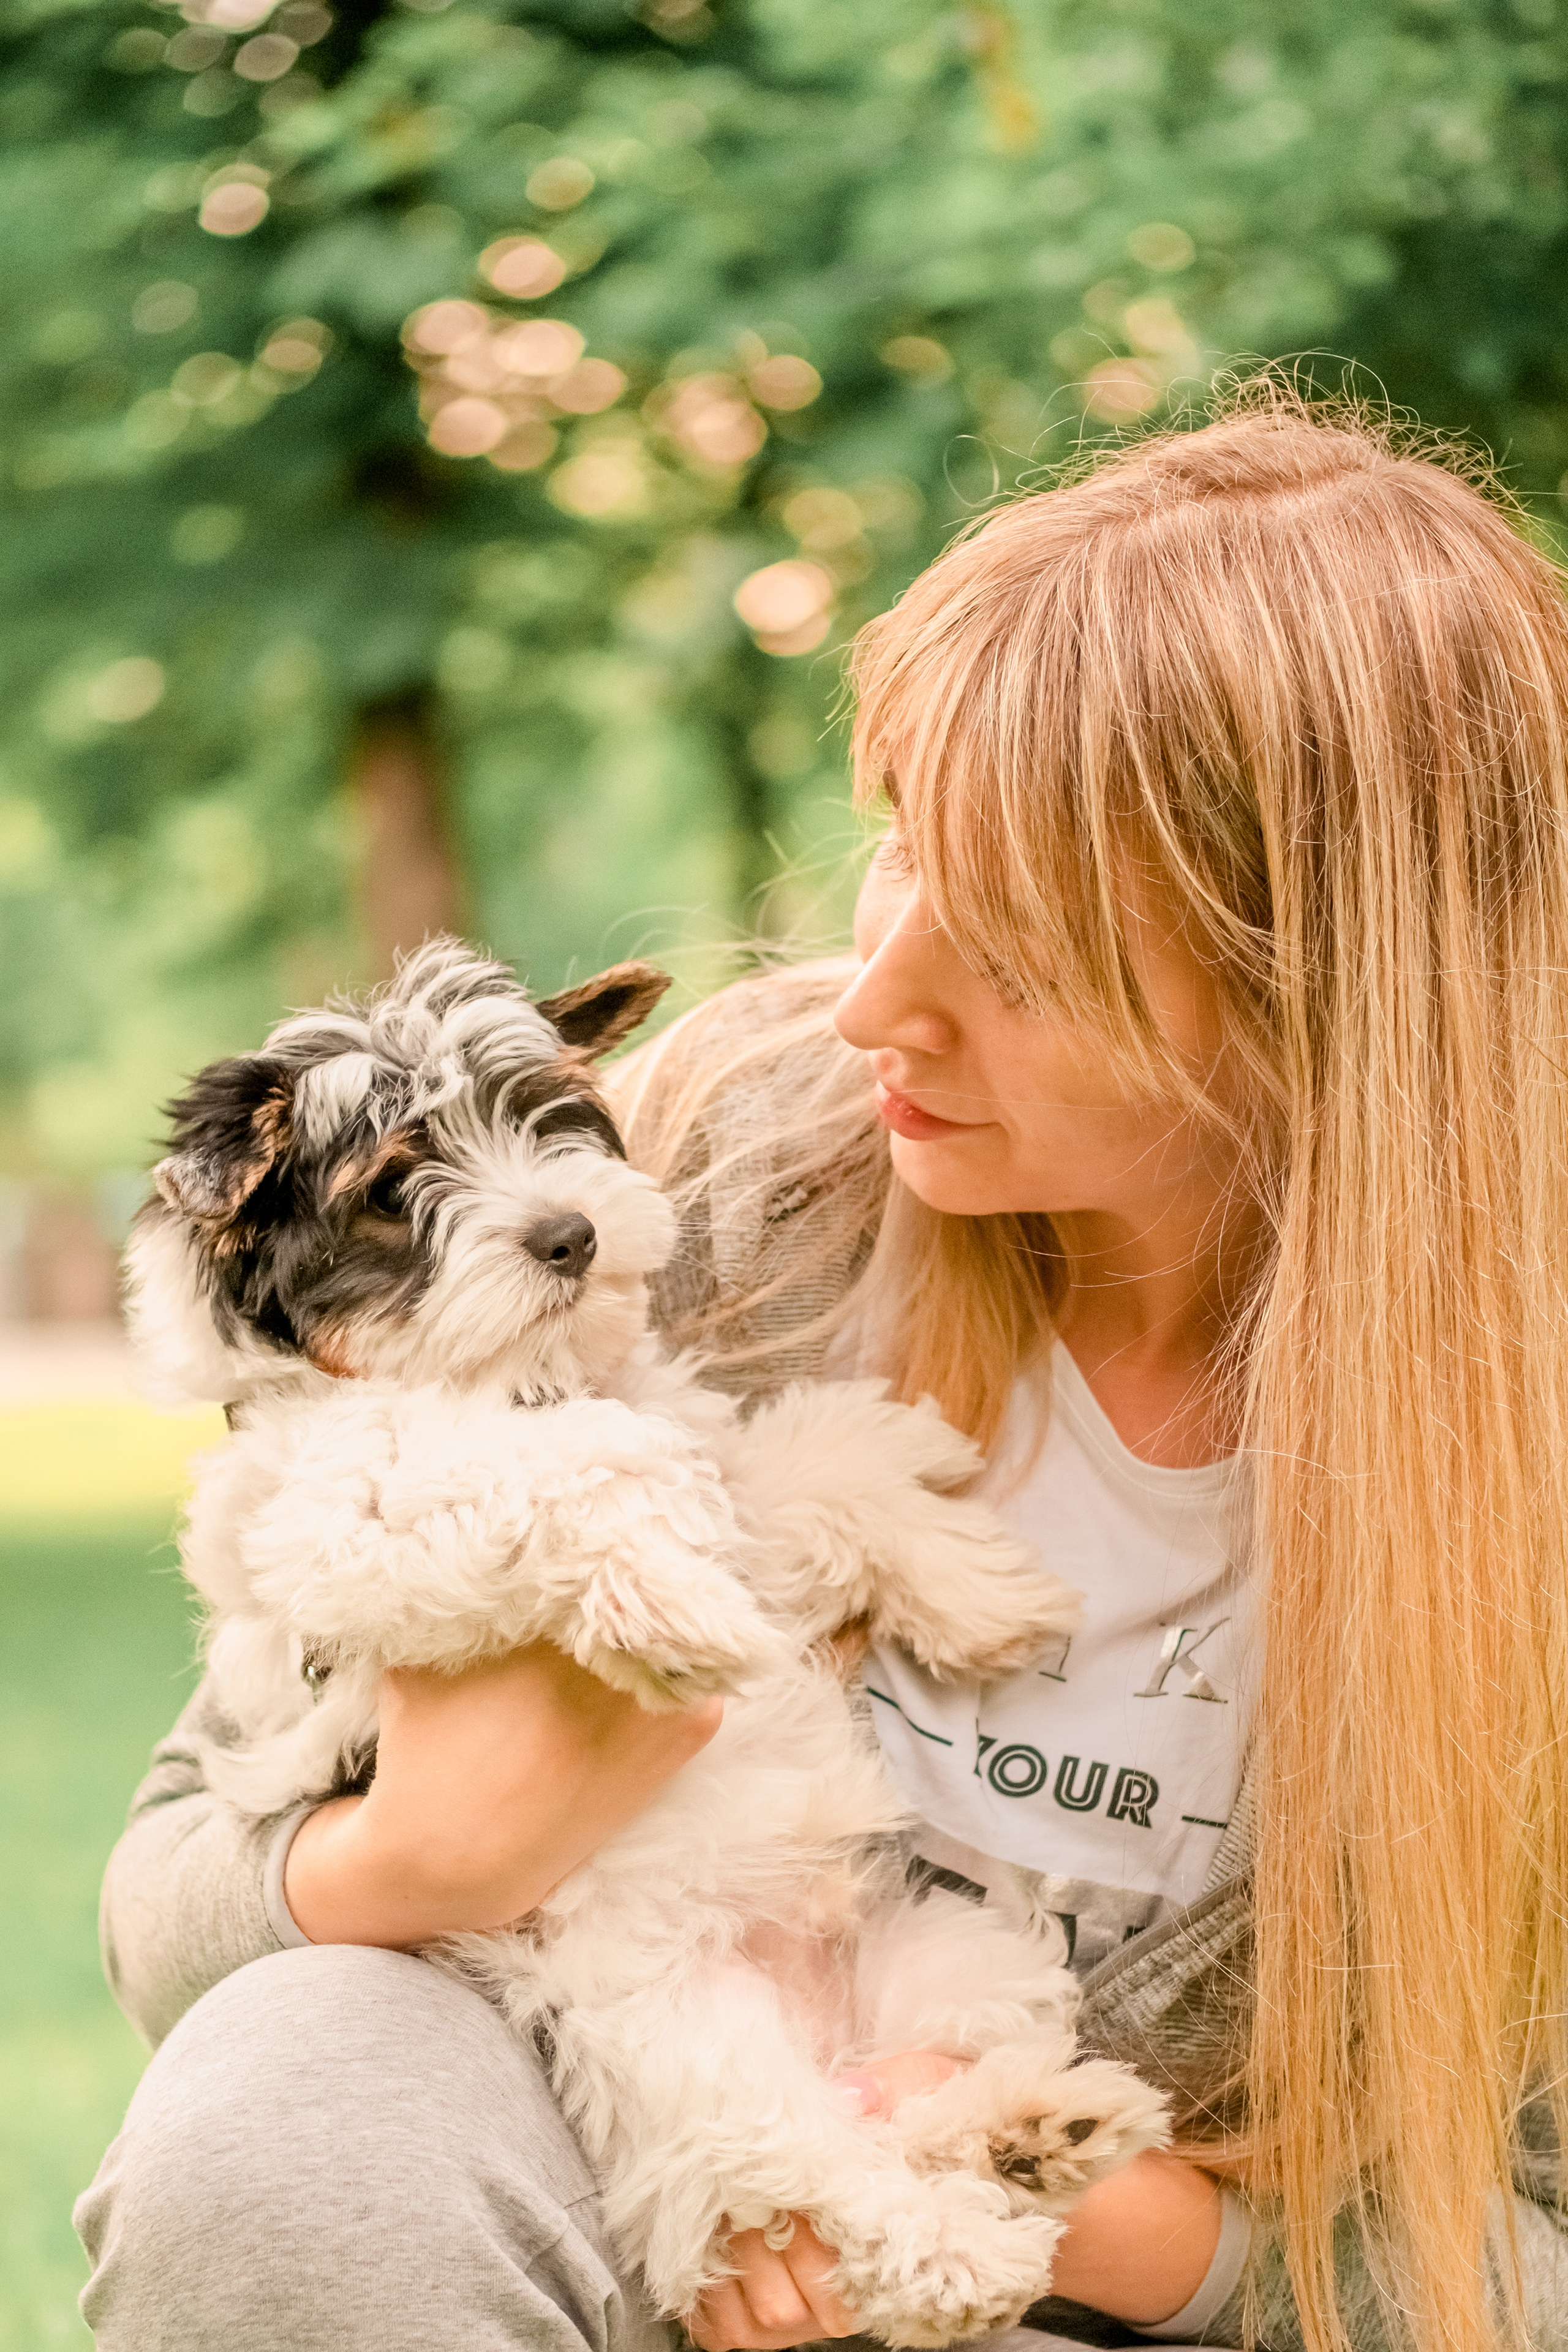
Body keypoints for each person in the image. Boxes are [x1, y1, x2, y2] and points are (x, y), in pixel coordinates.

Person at [75, 390, 1568, 2352]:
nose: (876, 997)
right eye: (897, 854)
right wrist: (409, 1858)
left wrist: (1112, 2232)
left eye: (1023, 952)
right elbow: (177, 1882)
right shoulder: (721, 1165)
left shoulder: (1521, 1465)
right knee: (299, 2091)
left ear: (1332, 996)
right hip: (615, 2195)